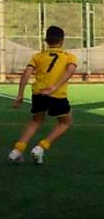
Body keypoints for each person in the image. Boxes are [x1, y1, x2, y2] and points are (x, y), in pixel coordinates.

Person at [9, 25, 78, 164]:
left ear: (46, 41)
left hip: (38, 93)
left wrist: (20, 94)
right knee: (65, 122)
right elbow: (70, 70)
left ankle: (17, 150)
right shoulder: (69, 56)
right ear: (62, 40)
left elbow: (27, 73)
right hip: (56, 94)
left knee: (36, 120)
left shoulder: (38, 56)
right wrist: (54, 87)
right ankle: (41, 147)